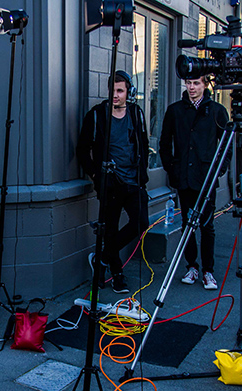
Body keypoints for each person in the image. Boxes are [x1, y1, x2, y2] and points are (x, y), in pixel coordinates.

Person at [77, 70, 150, 294]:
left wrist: (142, 171)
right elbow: (82, 150)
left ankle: (101, 259)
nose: (116, 95)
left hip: (134, 181)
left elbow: (143, 143)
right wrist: (96, 175)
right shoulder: (97, 115)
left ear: (128, 92)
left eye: (120, 90)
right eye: (113, 90)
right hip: (110, 183)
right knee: (110, 229)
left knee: (141, 223)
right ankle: (116, 274)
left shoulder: (136, 113)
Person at [159, 75, 229, 290]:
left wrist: (219, 170)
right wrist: (172, 169)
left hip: (206, 177)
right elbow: (164, 143)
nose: (191, 87)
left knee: (207, 225)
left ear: (205, 84)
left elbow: (226, 144)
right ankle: (191, 266)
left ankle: (208, 271)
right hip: (184, 177)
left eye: (196, 83)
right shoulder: (175, 110)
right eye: (188, 83)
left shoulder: (217, 111)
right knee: (187, 223)